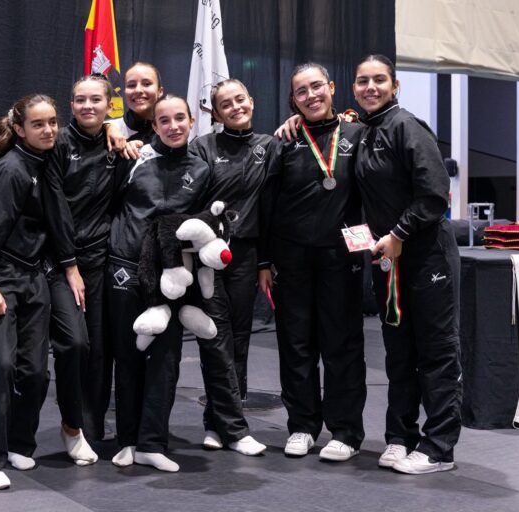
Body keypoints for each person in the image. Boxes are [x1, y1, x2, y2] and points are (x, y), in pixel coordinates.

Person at [353, 54, 461, 474]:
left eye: (379, 80)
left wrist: (397, 235)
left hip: (426, 255)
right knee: (399, 353)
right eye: (362, 81)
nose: (370, 87)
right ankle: (400, 436)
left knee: (436, 353)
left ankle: (439, 448)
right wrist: (381, 243)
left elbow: (434, 196)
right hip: (388, 260)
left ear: (395, 86)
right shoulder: (366, 132)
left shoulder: (407, 127)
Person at [259, 63, 366, 462]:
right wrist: (265, 261)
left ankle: (346, 431)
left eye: (316, 87)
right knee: (296, 346)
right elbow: (267, 205)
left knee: (343, 346)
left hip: (342, 260)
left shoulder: (358, 134)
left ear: (332, 87)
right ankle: (302, 425)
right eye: (301, 92)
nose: (310, 96)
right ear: (293, 100)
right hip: (292, 261)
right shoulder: (283, 142)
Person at [108, 94, 210, 472]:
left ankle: (153, 442)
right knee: (127, 354)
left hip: (171, 275)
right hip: (125, 266)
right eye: (164, 120)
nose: (173, 126)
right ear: (154, 125)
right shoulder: (134, 158)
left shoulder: (201, 169)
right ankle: (127, 440)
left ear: (191, 121)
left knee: (165, 359)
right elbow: (109, 204)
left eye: (180, 119)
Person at [0, 94, 58, 489]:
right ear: (19, 129)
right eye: (38, 124)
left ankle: (21, 443)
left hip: (35, 278)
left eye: (53, 121)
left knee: (36, 371)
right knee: (1, 367)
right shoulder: (11, 170)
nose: (48, 129)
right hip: (1, 278)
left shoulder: (44, 161)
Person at [43, 75, 124, 463]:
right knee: (74, 346)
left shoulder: (115, 145)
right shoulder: (56, 144)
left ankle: (90, 430)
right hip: (61, 261)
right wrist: (68, 262)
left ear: (109, 105)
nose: (87, 106)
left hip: (102, 261)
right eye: (79, 100)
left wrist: (121, 136)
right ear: (70, 104)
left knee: (99, 350)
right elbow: (54, 206)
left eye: (95, 100)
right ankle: (71, 424)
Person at [189, 79, 271, 456]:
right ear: (216, 113)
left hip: (246, 256)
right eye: (226, 104)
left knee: (238, 339)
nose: (235, 107)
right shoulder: (202, 147)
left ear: (251, 101)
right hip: (208, 257)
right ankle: (230, 426)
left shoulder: (269, 146)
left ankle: (219, 422)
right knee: (214, 338)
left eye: (241, 99)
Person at [109, 61, 164, 143]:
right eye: (131, 85)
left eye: (146, 84)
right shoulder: (108, 130)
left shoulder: (172, 130)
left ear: (160, 91)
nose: (138, 90)